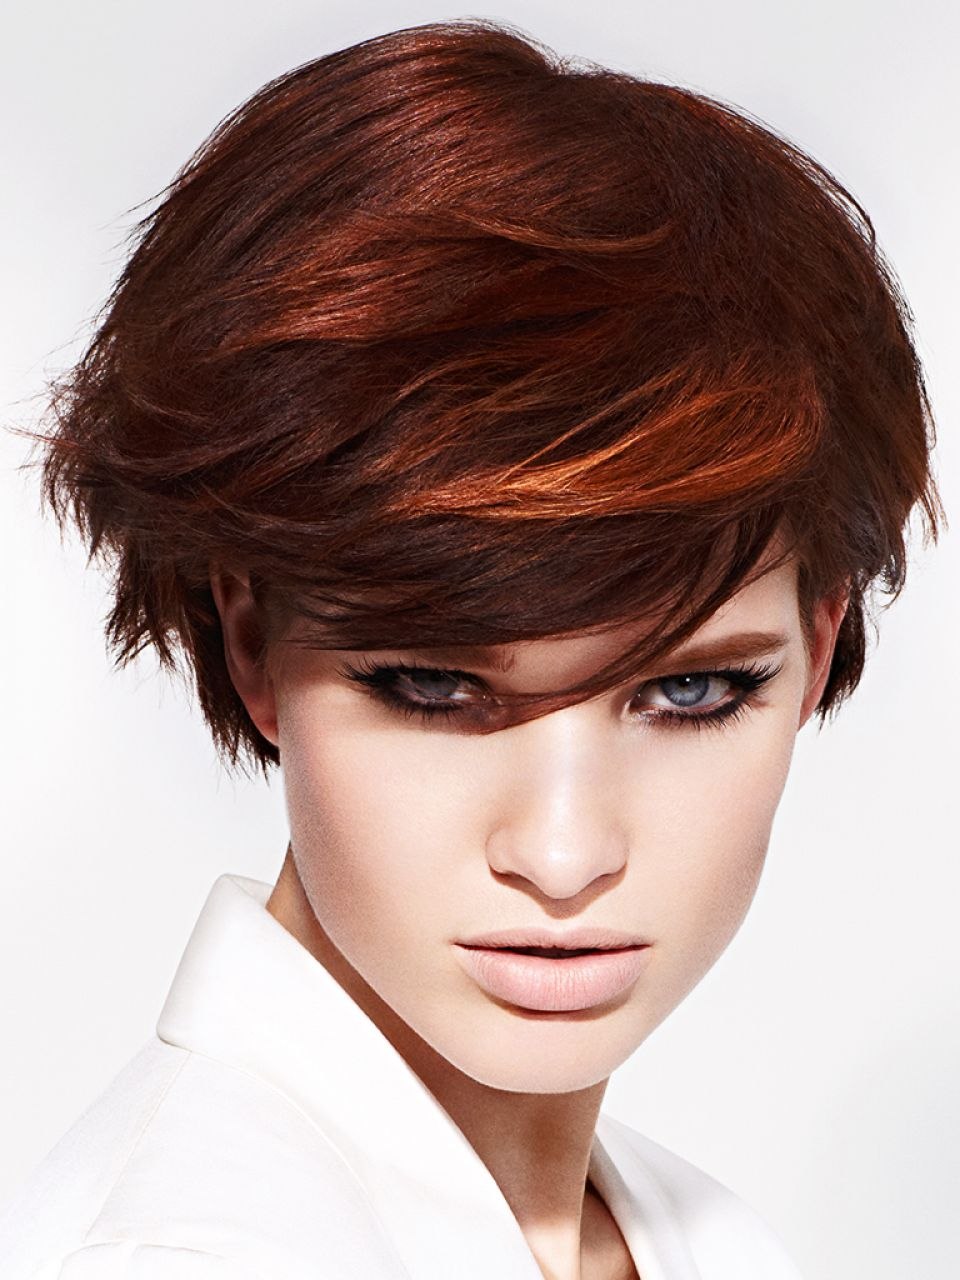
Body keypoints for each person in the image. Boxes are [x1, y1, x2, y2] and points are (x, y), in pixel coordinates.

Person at [0, 17, 942, 1280]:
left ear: (818, 645)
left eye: (691, 687)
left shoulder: (703, 1237)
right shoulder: (183, 1254)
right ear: (251, 639)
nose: (563, 855)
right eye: (435, 684)